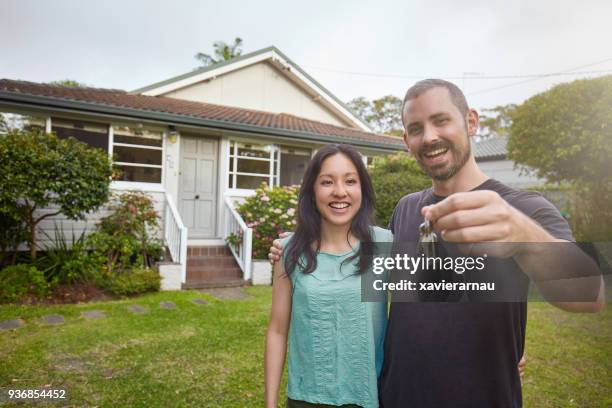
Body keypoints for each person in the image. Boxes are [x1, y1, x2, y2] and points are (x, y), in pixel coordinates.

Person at [270, 79, 604, 407]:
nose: (429, 136)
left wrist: (526, 237)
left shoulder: (523, 208)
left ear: (471, 122)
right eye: (416, 128)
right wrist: (293, 245)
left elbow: (590, 294)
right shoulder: (405, 209)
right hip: (395, 397)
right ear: (406, 140)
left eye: (441, 120)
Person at [264, 144, 393, 408]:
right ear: (312, 191)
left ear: (362, 190)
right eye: (326, 182)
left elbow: (440, 292)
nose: (340, 192)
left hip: (367, 397)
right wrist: (270, 404)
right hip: (306, 398)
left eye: (350, 181)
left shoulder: (381, 245)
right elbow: (277, 331)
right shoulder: (290, 250)